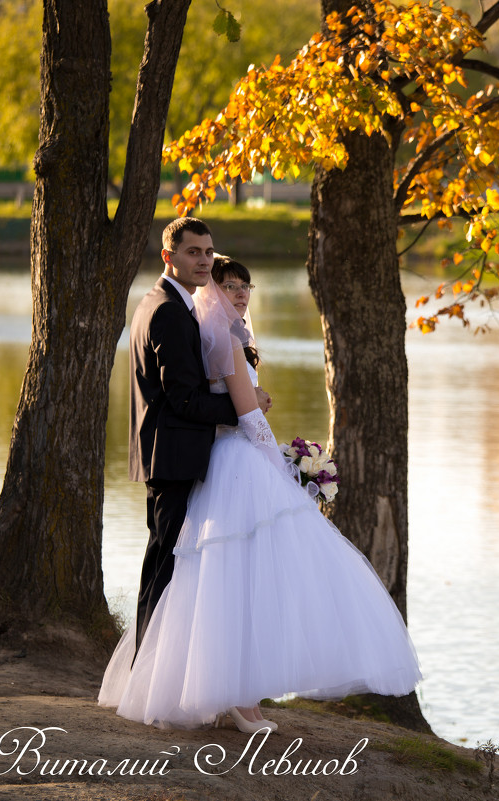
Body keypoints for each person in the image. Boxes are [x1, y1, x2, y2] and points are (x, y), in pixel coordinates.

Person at [100, 254, 422, 732]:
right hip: (239, 466)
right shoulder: (224, 341)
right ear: (212, 290)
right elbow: (250, 418)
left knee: (239, 584)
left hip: (233, 462)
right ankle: (237, 697)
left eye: (245, 287)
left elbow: (244, 406)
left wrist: (264, 428)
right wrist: (286, 471)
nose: (240, 294)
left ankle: (235, 693)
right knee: (236, 584)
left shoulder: (229, 337)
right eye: (230, 286)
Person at [126, 218, 269, 653]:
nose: (204, 260)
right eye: (193, 252)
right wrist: (247, 408)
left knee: (165, 564)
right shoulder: (169, 311)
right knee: (166, 567)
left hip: (169, 453)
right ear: (169, 256)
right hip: (172, 456)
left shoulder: (168, 302)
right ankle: (145, 671)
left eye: (208, 252)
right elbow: (184, 400)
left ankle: (148, 669)